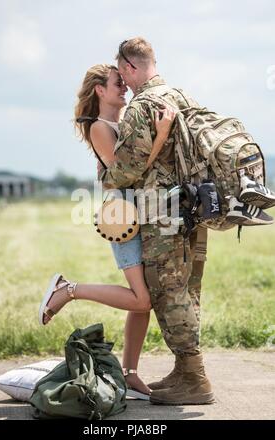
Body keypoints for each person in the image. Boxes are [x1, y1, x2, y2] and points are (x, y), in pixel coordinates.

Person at [38, 63, 176, 399]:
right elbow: (129, 173)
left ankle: (130, 373)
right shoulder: (99, 126)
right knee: (141, 299)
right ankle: (68, 289)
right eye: (118, 83)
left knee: (143, 303)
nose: (125, 87)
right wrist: (160, 134)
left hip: (142, 215)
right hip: (123, 220)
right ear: (100, 90)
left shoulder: (124, 118)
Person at [99, 37, 215, 405]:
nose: (123, 80)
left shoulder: (140, 109)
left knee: (168, 293)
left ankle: (195, 378)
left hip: (163, 216)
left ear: (131, 68)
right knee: (187, 290)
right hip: (194, 209)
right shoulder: (183, 97)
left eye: (122, 73)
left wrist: (106, 177)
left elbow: (126, 172)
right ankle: (185, 371)